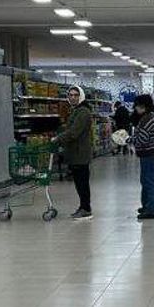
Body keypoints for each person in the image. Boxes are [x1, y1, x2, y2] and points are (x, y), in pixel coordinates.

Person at [52, 86, 93, 218]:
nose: (73, 97)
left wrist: (58, 139)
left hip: (80, 153)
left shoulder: (83, 112)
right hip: (75, 152)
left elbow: (74, 133)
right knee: (79, 182)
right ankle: (83, 207)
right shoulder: (76, 110)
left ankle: (85, 208)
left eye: (76, 95)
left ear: (81, 96)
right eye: (70, 95)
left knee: (82, 182)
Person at [130, 94, 154, 220]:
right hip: (150, 153)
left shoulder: (145, 120)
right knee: (145, 180)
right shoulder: (148, 117)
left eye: (137, 106)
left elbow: (142, 140)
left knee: (149, 182)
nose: (135, 108)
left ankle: (151, 210)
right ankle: (146, 206)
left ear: (143, 106)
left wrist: (129, 140)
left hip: (150, 154)